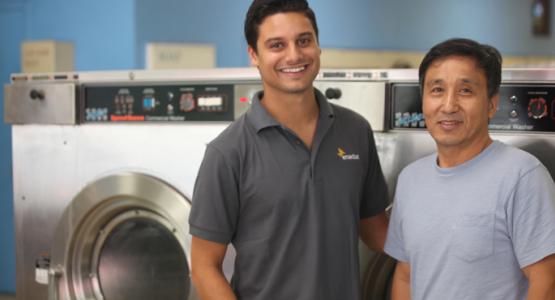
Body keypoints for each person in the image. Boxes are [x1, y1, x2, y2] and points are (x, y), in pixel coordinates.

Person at [188, 0, 390, 299]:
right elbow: (204, 267)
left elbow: (375, 232)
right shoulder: (228, 152)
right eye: (277, 45)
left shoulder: (356, 131)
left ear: (318, 46)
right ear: (253, 55)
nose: (294, 55)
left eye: (304, 41)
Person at [385, 38, 555, 300]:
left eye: (465, 91)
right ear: (424, 101)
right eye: (437, 90)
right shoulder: (410, 179)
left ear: (491, 104)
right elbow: (405, 274)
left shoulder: (523, 176)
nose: (449, 105)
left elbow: (547, 282)